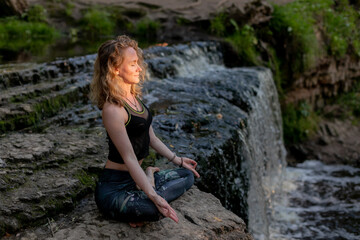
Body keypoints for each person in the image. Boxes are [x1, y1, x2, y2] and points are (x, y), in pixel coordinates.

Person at [90, 35, 200, 228]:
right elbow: (130, 158)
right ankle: (147, 184)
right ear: (115, 69)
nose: (139, 68)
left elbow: (152, 138)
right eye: (133, 64)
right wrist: (154, 196)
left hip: (136, 178)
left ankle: (147, 181)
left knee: (187, 175)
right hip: (115, 188)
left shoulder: (133, 98)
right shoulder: (113, 110)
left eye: (137, 62)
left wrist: (179, 160)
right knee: (152, 209)